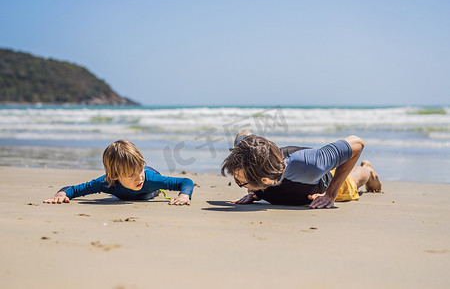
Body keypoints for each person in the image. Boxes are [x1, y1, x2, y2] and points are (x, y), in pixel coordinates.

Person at [221, 131, 382, 209]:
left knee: (354, 180)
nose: (241, 186)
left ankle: (368, 169)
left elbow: (357, 143)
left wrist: (331, 194)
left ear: (264, 180)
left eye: (242, 183)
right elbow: (243, 134)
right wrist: (254, 191)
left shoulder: (309, 165)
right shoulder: (246, 155)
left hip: (324, 184)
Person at [44, 140, 193, 206]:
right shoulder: (107, 183)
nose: (139, 177)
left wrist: (184, 195)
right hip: (123, 188)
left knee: (150, 187)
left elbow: (185, 182)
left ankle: (144, 180)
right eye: (131, 174)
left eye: (139, 170)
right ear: (115, 176)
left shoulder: (150, 179)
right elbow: (76, 189)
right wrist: (61, 194)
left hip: (151, 189)